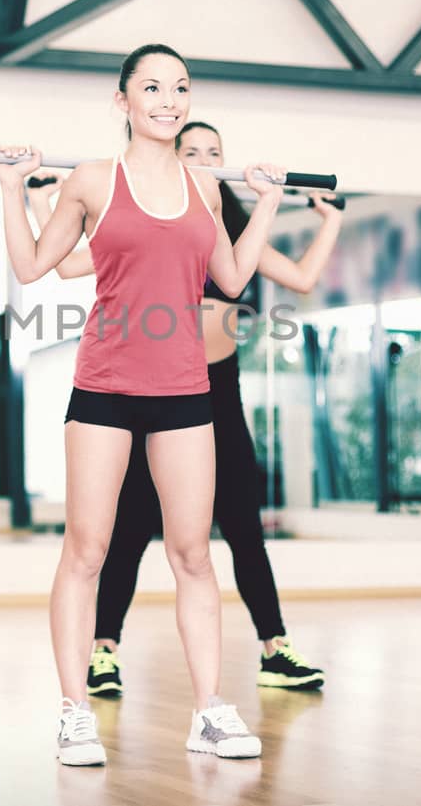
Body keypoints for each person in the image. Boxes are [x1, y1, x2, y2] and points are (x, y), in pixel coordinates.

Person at [0, 44, 286, 766]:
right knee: (87, 549)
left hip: (186, 391)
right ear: (122, 100)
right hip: (105, 387)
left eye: (180, 87)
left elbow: (231, 273)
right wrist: (10, 187)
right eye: (152, 87)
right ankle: (73, 712)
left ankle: (210, 711)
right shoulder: (94, 180)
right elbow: (36, 266)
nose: (168, 99)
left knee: (193, 553)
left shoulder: (203, 188)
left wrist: (272, 201)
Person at [27, 119, 343, 696]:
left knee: (241, 533)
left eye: (213, 153)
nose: (201, 160)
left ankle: (275, 649)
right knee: (126, 531)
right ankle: (103, 651)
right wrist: (45, 201)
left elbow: (299, 276)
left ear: (226, 166)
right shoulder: (148, 224)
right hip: (146, 393)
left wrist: (333, 221)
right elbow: (68, 260)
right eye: (190, 151)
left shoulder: (227, 229)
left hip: (214, 399)